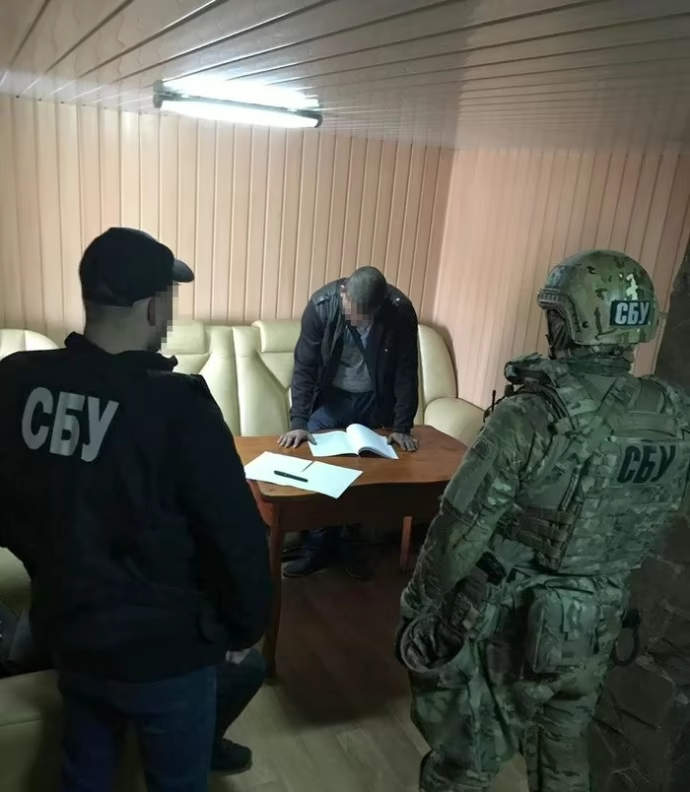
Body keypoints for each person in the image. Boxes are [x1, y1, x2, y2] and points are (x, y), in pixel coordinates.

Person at [397, 250, 690, 792]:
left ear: (570, 321)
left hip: (513, 620)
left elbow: (460, 530)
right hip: (599, 620)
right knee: (563, 754)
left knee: (464, 763)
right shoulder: (674, 412)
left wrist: (418, 604)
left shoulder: (530, 415)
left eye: (555, 315)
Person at [0, 227, 272, 792]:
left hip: (71, 634)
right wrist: (244, 627)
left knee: (85, 774)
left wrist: (51, 571)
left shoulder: (18, 383)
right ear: (153, 308)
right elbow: (236, 539)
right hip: (164, 655)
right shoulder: (178, 407)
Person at [278, 266, 420, 577]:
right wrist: (299, 421)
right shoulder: (321, 307)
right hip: (331, 398)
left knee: (365, 472)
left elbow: (406, 371)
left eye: (365, 316)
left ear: (380, 306)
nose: (357, 320)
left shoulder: (400, 312)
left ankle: (348, 547)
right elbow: (305, 367)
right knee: (318, 466)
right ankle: (316, 549)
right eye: (352, 311)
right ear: (343, 293)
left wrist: (402, 426)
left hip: (375, 399)